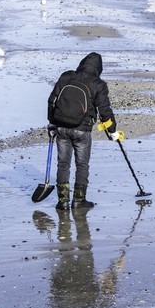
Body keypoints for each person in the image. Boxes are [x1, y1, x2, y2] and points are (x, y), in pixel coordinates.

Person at [47, 52, 120, 210]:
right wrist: (113, 132)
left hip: (61, 127)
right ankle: (79, 201)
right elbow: (105, 111)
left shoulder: (66, 76)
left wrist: (51, 123)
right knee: (82, 165)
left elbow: (52, 100)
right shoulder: (98, 84)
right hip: (82, 130)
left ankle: (63, 202)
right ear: (99, 68)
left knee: (63, 164)